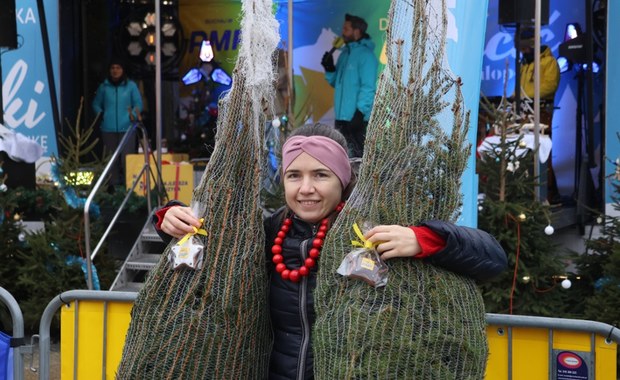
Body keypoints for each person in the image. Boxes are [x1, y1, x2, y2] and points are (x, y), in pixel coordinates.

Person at [154, 123, 507, 379]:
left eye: (320, 175)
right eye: (294, 176)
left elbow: (492, 259)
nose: (306, 189)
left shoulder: (374, 229)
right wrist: (168, 217)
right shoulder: (266, 232)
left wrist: (425, 240)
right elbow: (206, 244)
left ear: (343, 179)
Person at [321, 14, 378, 158]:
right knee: (342, 159)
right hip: (341, 118)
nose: (342, 32)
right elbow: (336, 83)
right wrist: (330, 68)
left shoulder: (366, 56)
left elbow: (368, 87)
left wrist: (360, 113)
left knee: (358, 160)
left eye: (346, 29)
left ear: (357, 31)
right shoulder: (344, 54)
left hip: (356, 120)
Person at [518, 28, 561, 202]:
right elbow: (520, 88)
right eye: (522, 47)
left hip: (542, 112)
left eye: (527, 46)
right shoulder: (525, 63)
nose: (525, 50)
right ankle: (531, 193)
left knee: (543, 152)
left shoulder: (549, 61)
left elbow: (550, 86)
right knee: (527, 153)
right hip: (525, 111)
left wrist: (525, 96)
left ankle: (549, 194)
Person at [92, 58, 143, 188]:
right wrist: (102, 114)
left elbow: (138, 104)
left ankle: (130, 188)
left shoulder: (131, 86)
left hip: (127, 128)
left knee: (127, 159)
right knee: (111, 160)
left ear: (123, 70)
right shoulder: (104, 87)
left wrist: (132, 114)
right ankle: (113, 187)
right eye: (112, 68)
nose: (115, 71)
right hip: (108, 129)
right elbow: (96, 104)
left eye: (118, 68)